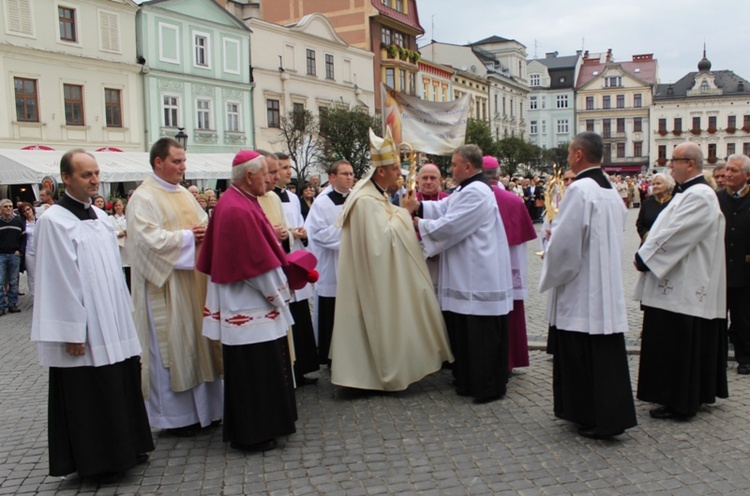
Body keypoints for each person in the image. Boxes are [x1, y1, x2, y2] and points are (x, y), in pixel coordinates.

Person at [31, 149, 153, 483]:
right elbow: (57, 279)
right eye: (86, 175)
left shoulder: (100, 219)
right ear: (66, 178)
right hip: (84, 327)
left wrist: (123, 312)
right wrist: (71, 330)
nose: (94, 180)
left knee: (120, 381)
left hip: (111, 319)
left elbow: (113, 274)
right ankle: (100, 460)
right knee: (93, 390)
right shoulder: (53, 221)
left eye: (96, 173)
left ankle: (129, 446)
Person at [330, 130, 453, 391]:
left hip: (380, 276)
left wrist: (400, 212)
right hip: (372, 278)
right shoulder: (364, 200)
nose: (400, 173)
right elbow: (380, 243)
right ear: (381, 171)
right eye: (396, 168)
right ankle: (374, 375)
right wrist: (406, 213)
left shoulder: (376, 195)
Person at [539, 132, 636, 439]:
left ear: (579, 154)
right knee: (605, 355)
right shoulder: (609, 190)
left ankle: (589, 415)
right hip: (605, 282)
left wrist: (550, 255)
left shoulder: (580, 189)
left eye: (569, 152)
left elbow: (566, 243)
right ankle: (610, 414)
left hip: (582, 287)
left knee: (582, 354)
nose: (568, 158)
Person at [197, 150, 297, 452]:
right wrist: (281, 296)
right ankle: (253, 433)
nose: (272, 177)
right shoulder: (238, 209)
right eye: (266, 172)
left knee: (257, 369)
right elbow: (256, 266)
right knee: (255, 372)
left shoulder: (239, 200)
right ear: (250, 175)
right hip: (249, 306)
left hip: (248, 306)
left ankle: (264, 427)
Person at [127, 137, 223, 437]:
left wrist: (203, 234)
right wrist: (186, 238)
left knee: (199, 343)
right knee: (171, 347)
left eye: (184, 161)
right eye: (177, 161)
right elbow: (144, 242)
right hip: (166, 287)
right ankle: (176, 418)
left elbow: (201, 227)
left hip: (194, 282)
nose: (183, 167)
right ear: (158, 162)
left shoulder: (183, 193)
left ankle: (209, 411)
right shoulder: (143, 198)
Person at [406, 144, 512, 403]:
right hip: (466, 272)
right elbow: (444, 209)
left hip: (478, 274)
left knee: (481, 336)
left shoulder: (477, 191)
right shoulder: (467, 189)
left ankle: (487, 386)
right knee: (466, 333)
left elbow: (453, 224)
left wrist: (419, 222)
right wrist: (418, 206)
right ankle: (468, 380)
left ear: (468, 166)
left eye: (454, 165)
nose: (451, 169)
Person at [635, 141, 728, 419]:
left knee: (676, 345)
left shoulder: (699, 194)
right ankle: (679, 396)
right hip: (676, 282)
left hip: (683, 285)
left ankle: (680, 401)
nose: (670, 164)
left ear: (690, 163)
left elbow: (676, 234)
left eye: (674, 160)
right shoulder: (686, 193)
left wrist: (645, 258)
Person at [483, 156, 537, 372]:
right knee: (512, 311)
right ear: (498, 174)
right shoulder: (514, 200)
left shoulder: (470, 197)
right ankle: (511, 359)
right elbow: (522, 237)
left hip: (483, 269)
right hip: (512, 265)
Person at [274, 152, 320, 386]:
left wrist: (301, 233)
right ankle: (288, 370)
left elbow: (303, 223)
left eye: (288, 167)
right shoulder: (268, 197)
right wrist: (290, 235)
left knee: (300, 313)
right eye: (283, 168)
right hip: (281, 262)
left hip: (296, 258)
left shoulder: (292, 198)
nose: (287, 171)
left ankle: (302, 367)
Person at [304, 160, 353, 366]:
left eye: (351, 174)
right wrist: (351, 237)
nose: (349, 177)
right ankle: (332, 357)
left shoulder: (356, 199)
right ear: (332, 177)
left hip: (353, 265)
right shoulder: (322, 203)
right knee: (332, 310)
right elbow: (319, 234)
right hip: (332, 265)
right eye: (344, 174)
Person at [717, 154, 750, 374]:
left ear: (747, 175)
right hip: (719, 268)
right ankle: (716, 358)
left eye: (734, 170)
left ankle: (745, 357)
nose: (728, 174)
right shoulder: (717, 197)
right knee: (718, 317)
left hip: (745, 269)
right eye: (727, 169)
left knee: (744, 318)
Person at [0, 198, 24, 315]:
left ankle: (12, 304)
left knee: (13, 281)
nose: (8, 208)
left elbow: (23, 238)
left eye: (10, 206)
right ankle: (1, 306)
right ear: (1, 208)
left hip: (14, 255)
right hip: (1, 255)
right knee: (0, 281)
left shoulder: (18, 222)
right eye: (5, 206)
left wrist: (20, 250)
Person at [635, 172, 674, 243]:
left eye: (658, 183)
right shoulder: (646, 203)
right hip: (649, 244)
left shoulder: (675, 202)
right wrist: (646, 235)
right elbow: (639, 224)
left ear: (668, 185)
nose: (655, 186)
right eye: (653, 184)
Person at [19, 202, 36, 296]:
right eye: (24, 211)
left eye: (28, 209)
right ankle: (34, 294)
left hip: (40, 250)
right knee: (31, 274)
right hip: (29, 251)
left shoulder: (39, 220)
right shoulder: (22, 223)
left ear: (32, 209)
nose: (27, 212)